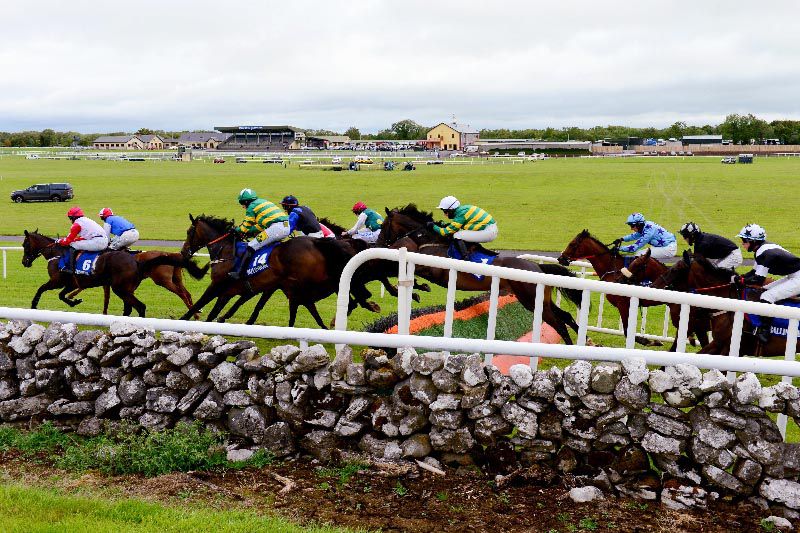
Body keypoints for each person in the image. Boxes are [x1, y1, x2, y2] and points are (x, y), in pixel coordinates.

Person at [735, 223, 800, 344]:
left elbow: (758, 279)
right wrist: (740, 277)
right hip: (794, 275)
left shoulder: (765, 254)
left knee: (766, 297)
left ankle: (765, 330)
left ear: (753, 241)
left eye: (744, 241)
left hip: (798, 278)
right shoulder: (761, 249)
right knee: (763, 290)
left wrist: (741, 281)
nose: (742, 244)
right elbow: (753, 272)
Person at [229, 188, 290, 280]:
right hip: (286, 227)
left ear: (246, 201)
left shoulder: (251, 207)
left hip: (276, 229)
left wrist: (235, 230)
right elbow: (260, 226)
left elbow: (245, 227)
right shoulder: (262, 202)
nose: (242, 206)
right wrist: (250, 231)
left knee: (251, 246)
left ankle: (239, 273)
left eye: (242, 203)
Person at [427, 196, 497, 261]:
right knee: (464, 234)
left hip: (488, 232)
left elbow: (445, 232)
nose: (445, 214)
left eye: (445, 211)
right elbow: (454, 226)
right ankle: (485, 251)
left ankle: (465, 258)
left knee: (457, 235)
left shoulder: (461, 214)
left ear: (451, 209)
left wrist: (433, 226)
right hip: (489, 230)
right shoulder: (463, 210)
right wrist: (443, 225)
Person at [56, 207, 110, 273]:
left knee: (72, 245)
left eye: (70, 218)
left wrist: (58, 241)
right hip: (103, 241)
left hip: (97, 242)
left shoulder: (77, 224)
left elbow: (67, 241)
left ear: (73, 217)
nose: (70, 220)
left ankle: (70, 269)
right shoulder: (87, 220)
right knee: (76, 243)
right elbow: (84, 237)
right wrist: (75, 240)